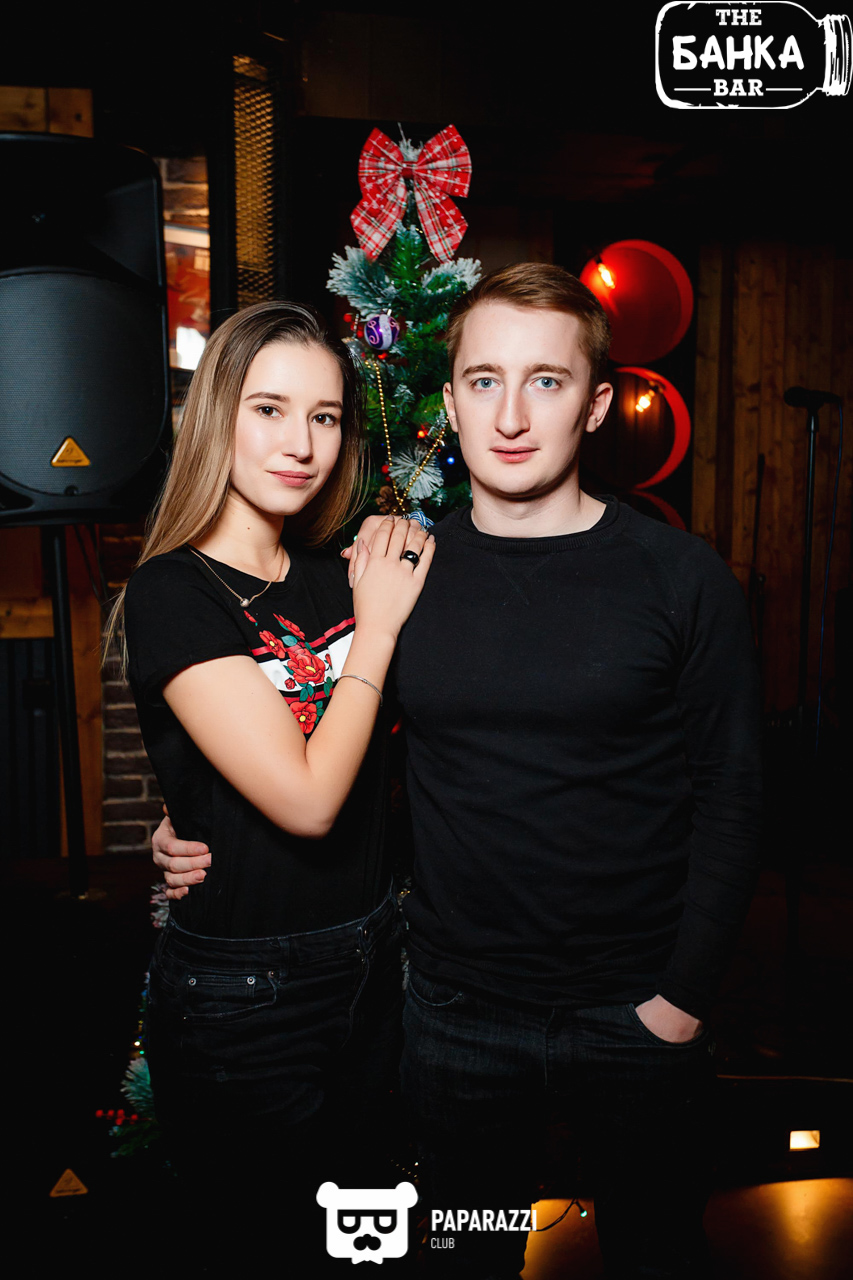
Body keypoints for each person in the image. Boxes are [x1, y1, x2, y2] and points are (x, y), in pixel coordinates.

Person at [155, 265, 763, 1279]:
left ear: (596, 404)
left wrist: (680, 1002)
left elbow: (734, 796)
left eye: (546, 382)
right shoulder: (389, 581)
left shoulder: (680, 577)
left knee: (657, 1254)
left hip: (636, 1013)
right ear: (449, 401)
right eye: (484, 381)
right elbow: (311, 744)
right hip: (454, 1017)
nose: (511, 416)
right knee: (461, 1257)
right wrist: (186, 821)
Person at [115, 300, 433, 1275]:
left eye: (325, 415)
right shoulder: (173, 591)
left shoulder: (340, 574)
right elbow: (306, 801)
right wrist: (378, 631)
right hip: (247, 995)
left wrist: (187, 809)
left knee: (368, 1245)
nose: (301, 443)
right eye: (269, 409)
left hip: (375, 957)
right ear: (218, 414)